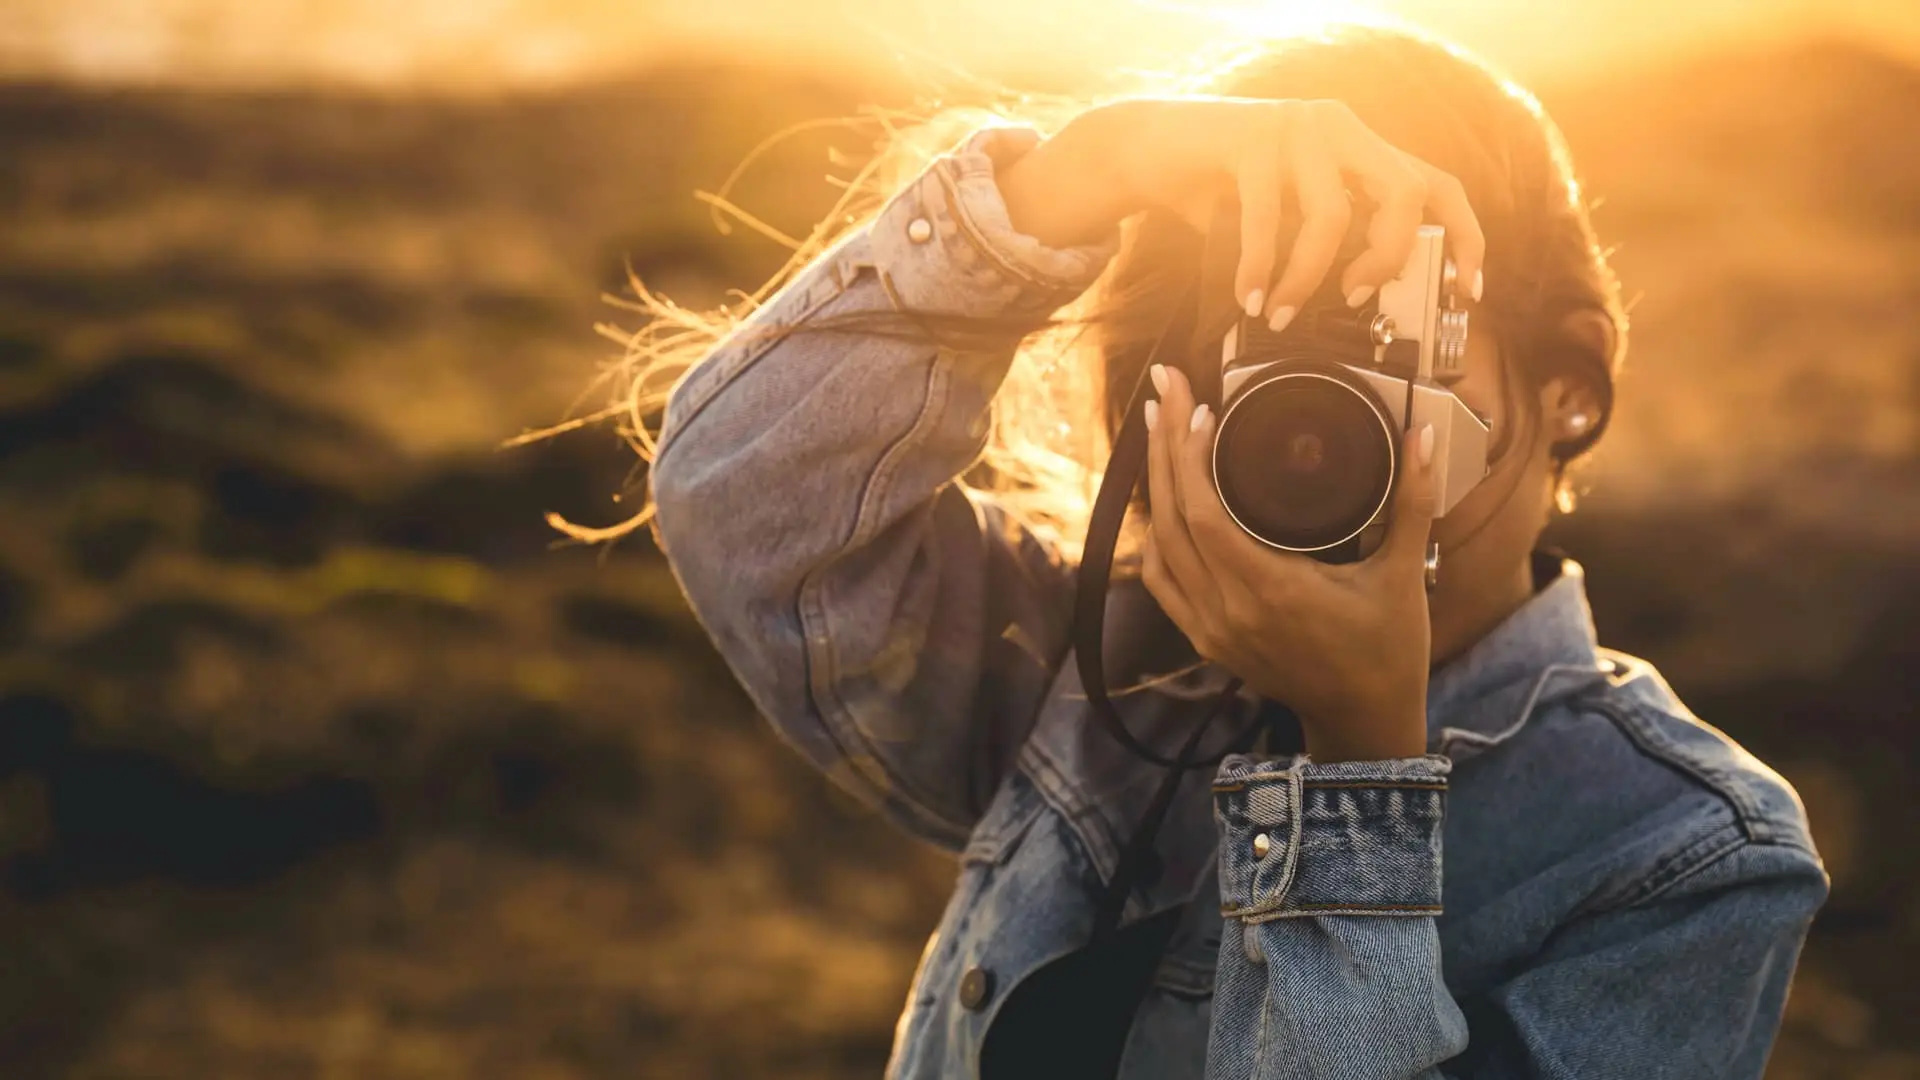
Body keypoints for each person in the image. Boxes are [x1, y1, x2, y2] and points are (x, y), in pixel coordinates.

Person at [632, 20, 1827, 1080]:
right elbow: (747, 500)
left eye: (1391, 354)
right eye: (1267, 363)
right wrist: (1082, 176)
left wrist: (1361, 763)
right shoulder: (1097, 665)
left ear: (1568, 387)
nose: (1316, 423)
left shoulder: (1683, 856)